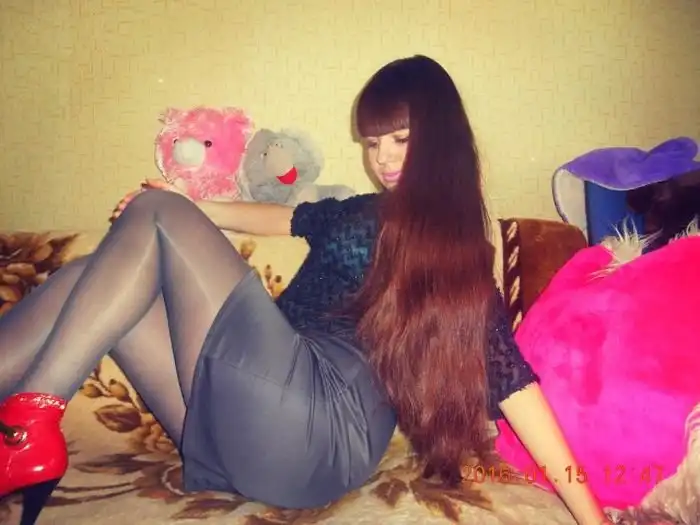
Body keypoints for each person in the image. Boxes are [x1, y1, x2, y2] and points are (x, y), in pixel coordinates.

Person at [0, 55, 612, 525]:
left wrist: (592, 517)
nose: (383, 159)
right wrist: (195, 205)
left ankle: (26, 428)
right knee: (86, 277)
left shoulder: (452, 252)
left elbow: (513, 381)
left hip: (316, 420)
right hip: (244, 438)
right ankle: (22, 431)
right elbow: (287, 218)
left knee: (155, 211)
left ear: (442, 139)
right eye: (373, 143)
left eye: (401, 138)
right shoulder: (359, 211)